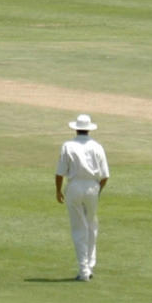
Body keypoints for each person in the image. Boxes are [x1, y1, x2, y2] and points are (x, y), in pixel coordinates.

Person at [55, 113, 110, 281]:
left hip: (75, 186)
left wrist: (58, 191)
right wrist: (96, 191)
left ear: (77, 129)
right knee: (91, 225)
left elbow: (60, 173)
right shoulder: (97, 146)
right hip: (93, 186)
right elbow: (105, 176)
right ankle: (89, 266)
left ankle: (84, 270)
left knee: (79, 227)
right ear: (89, 130)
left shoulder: (68, 145)